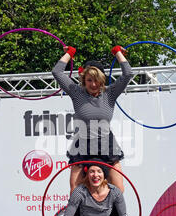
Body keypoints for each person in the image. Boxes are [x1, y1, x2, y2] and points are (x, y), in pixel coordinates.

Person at [51, 45, 134, 193]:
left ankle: (112, 215)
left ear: (102, 80)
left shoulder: (110, 93)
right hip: (82, 143)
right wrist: (70, 53)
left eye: (96, 80)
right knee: (75, 190)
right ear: (84, 79)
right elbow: (56, 72)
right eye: (89, 80)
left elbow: (128, 74)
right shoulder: (77, 92)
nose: (93, 84)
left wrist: (117, 53)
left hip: (106, 144)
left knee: (119, 190)